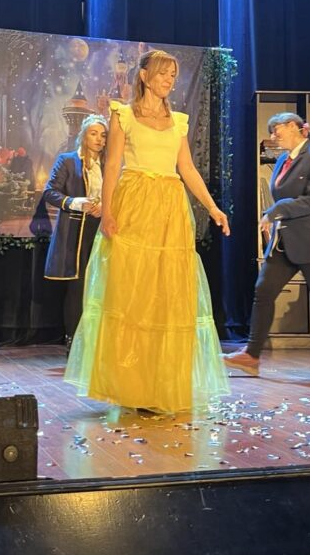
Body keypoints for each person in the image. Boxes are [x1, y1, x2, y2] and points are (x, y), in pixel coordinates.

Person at [64, 49, 231, 413]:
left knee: (167, 297)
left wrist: (212, 207)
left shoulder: (178, 121)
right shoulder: (123, 115)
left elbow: (187, 168)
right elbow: (112, 165)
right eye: (163, 73)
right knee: (132, 294)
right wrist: (108, 212)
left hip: (170, 208)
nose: (169, 80)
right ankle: (131, 386)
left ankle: (161, 386)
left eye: (173, 75)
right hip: (135, 202)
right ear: (144, 76)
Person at [223, 112, 310, 382]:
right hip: (285, 242)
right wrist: (276, 216)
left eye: (277, 130)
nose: (273, 136)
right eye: (271, 131)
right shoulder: (283, 160)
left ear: (296, 128)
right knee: (263, 291)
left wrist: (276, 210)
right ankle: (251, 356)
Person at [43, 114, 108, 345]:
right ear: (84, 135)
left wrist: (106, 207)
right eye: (94, 134)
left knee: (103, 284)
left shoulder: (110, 164)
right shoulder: (68, 161)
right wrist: (74, 202)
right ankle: (74, 340)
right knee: (78, 285)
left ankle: (100, 341)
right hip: (77, 231)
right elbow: (50, 191)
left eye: (103, 135)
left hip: (103, 228)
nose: (99, 139)